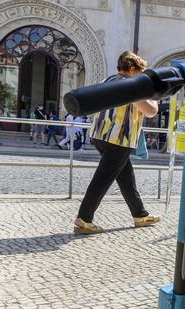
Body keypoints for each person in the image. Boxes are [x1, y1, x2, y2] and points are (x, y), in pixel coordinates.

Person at [74, 50, 160, 234]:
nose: (140, 75)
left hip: (100, 135)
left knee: (126, 177)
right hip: (119, 139)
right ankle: (84, 219)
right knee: (102, 179)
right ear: (131, 69)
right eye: (139, 71)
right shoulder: (130, 86)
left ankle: (140, 214)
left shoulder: (108, 81)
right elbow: (151, 110)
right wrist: (154, 97)